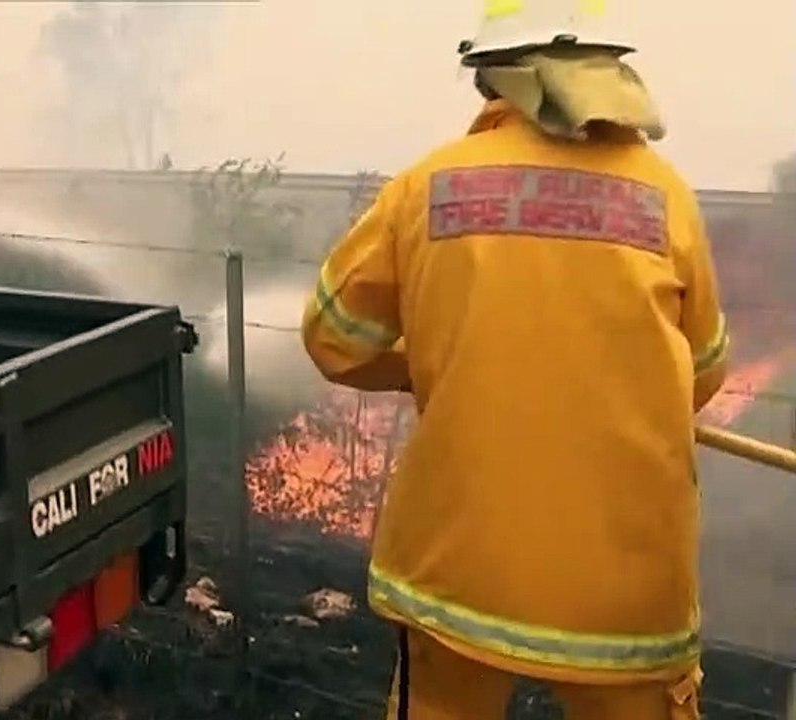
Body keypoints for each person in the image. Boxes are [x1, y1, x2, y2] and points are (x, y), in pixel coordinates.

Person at [300, 1, 728, 718]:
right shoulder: (667, 198)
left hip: (457, 581)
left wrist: (428, 362)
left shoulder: (426, 185)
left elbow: (334, 339)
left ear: (489, 78)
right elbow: (704, 374)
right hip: (625, 601)